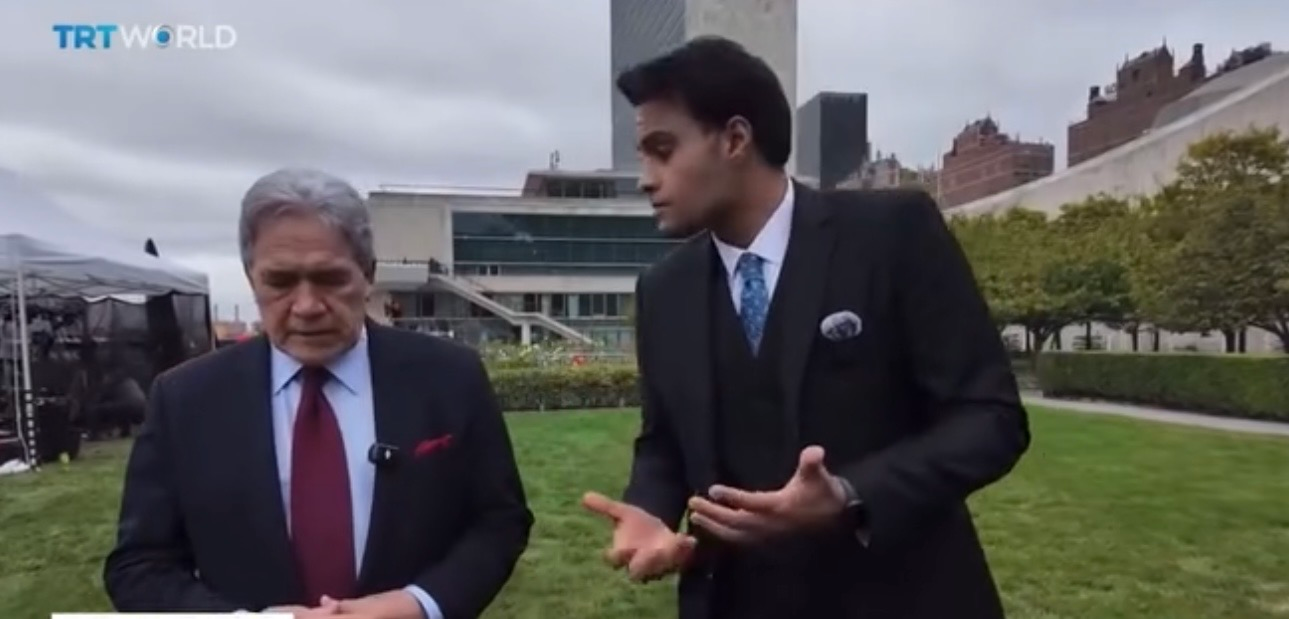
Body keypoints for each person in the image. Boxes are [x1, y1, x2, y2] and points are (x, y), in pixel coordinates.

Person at [581, 37, 1030, 619]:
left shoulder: (892, 235)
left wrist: (850, 494)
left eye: (662, 151)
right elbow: (664, 442)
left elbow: (990, 418)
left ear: (735, 139)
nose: (645, 178)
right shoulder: (664, 291)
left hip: (898, 596)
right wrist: (650, 510)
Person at [104, 168, 533, 618]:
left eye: (330, 279)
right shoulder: (185, 400)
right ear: (251, 279)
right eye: (280, 282)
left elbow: (499, 521)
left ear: (368, 274)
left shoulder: (450, 377)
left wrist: (419, 605)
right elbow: (139, 566)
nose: (307, 306)